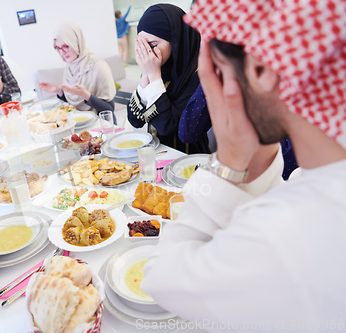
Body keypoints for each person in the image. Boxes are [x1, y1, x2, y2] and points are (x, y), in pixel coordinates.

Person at [141, 0, 346, 330]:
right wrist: (257, 164)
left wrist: (229, 163)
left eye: (217, 71)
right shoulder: (319, 182)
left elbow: (160, 278)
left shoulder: (280, 238)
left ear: (260, 70)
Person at [127, 4, 208, 153]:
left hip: (187, 161)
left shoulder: (200, 75)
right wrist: (145, 76)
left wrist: (153, 76)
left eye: (152, 45)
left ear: (176, 42)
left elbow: (167, 127)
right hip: (157, 156)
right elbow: (135, 120)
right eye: (142, 45)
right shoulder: (157, 67)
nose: (147, 53)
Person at [38, 21, 116, 113]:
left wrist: (86, 96)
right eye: (58, 48)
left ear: (77, 43)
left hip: (101, 124)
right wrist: (59, 91)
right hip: (79, 123)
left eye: (65, 46)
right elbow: (73, 106)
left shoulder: (98, 67)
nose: (62, 53)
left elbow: (110, 109)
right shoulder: (70, 67)